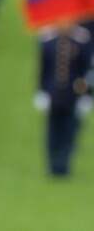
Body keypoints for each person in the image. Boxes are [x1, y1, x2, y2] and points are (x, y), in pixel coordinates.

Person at [36, 23, 93, 177]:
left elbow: (87, 70)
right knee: (53, 131)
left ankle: (64, 164)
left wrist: (87, 95)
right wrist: (41, 92)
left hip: (73, 94)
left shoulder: (81, 41)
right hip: (54, 94)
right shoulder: (48, 42)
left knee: (70, 131)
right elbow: (43, 70)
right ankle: (53, 164)